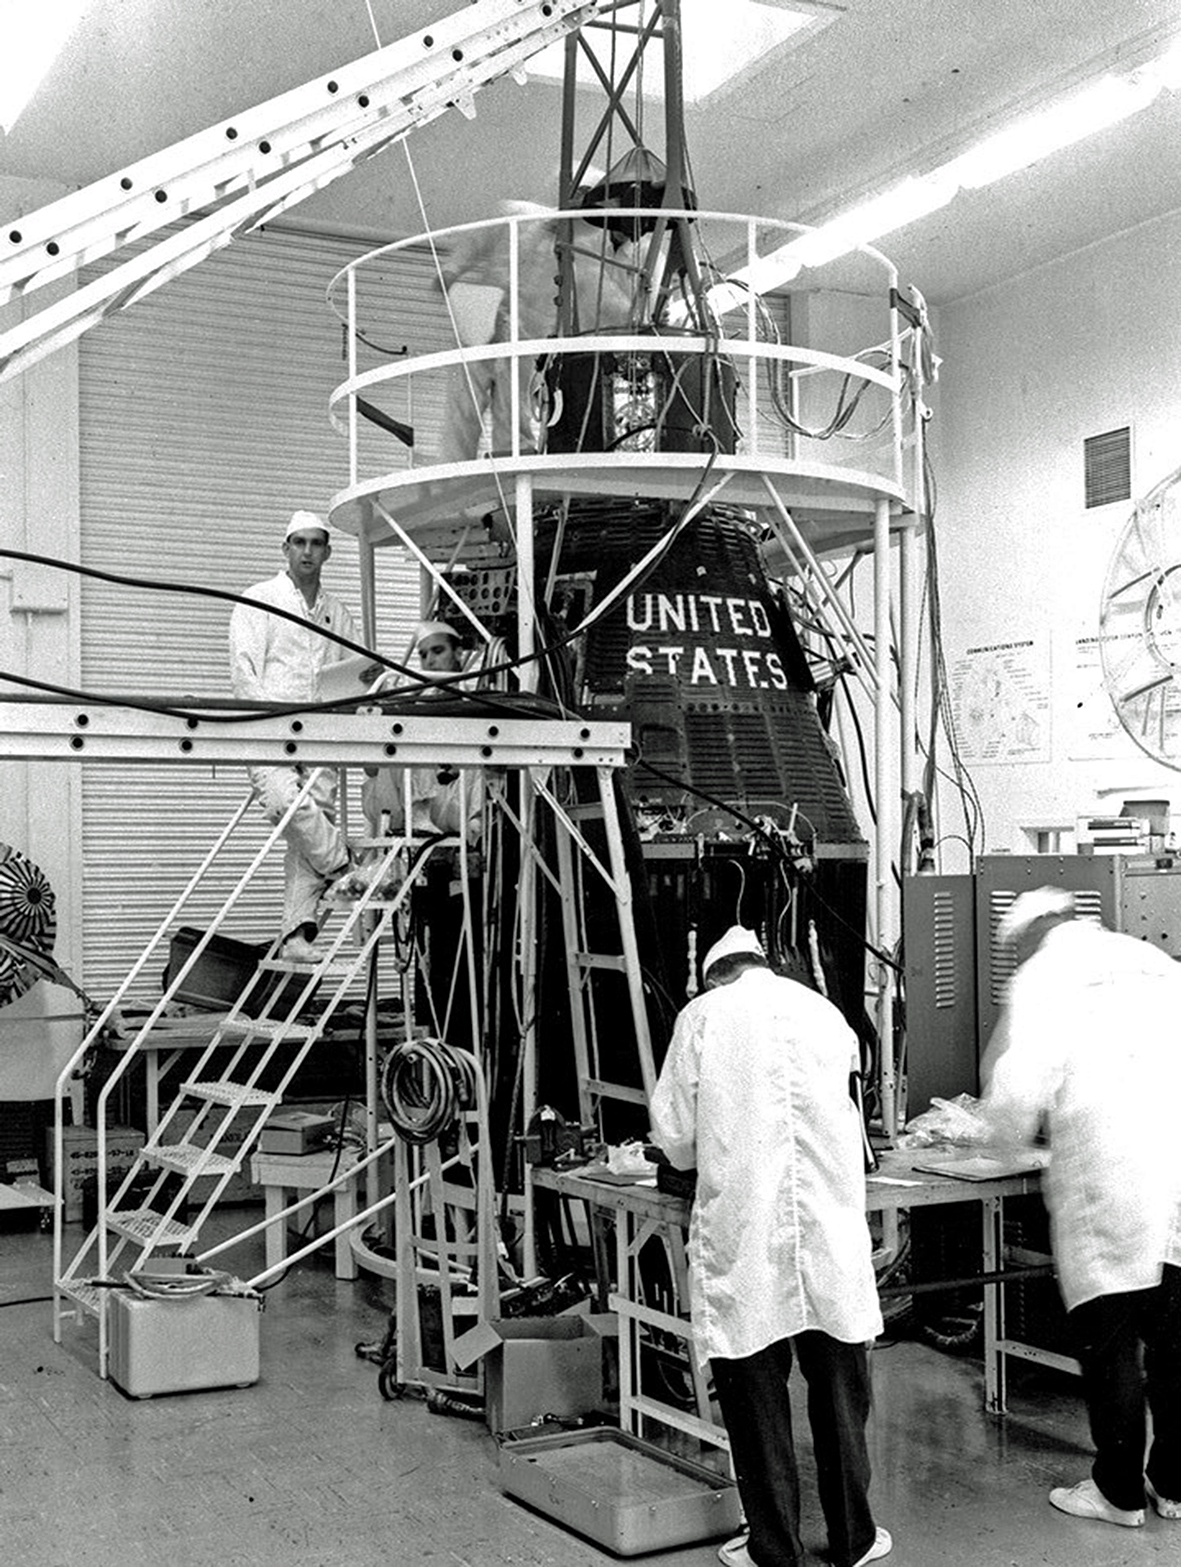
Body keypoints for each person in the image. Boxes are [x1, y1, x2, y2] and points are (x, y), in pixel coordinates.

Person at [648, 926, 890, 1567]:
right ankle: (853, 1540)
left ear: (714, 974)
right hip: (828, 1229)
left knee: (756, 1391)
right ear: (763, 964)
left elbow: (673, 1134)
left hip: (746, 1232)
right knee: (840, 1385)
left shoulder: (701, 1019)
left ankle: (775, 1548)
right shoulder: (825, 1012)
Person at [979, 886, 1181, 1529]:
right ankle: (1174, 1487)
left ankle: (1118, 1494)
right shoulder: (1150, 960)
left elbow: (1015, 1093)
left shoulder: (1045, 976)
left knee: (1113, 1340)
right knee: (1175, 1342)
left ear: (1032, 934)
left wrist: (998, 1136)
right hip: (1175, 1171)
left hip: (1109, 1179)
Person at [228, 510, 369, 961]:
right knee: (286, 803)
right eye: (299, 543)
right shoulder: (260, 599)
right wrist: (265, 720)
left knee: (310, 827)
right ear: (285, 549)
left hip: (322, 732)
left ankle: (295, 936)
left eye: (316, 543)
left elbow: (354, 675)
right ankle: (345, 865)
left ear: (327, 551)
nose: (307, 551)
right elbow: (244, 670)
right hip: (270, 729)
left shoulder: (337, 613)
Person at [434, 199, 634, 462]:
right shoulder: (517, 214)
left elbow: (603, 297)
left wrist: (634, 314)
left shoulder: (585, 250)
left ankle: (510, 461)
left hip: (529, 334)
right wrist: (451, 270)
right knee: (464, 401)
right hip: (482, 316)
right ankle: (454, 466)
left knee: (515, 406)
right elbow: (478, 240)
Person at [360, 621, 484, 842]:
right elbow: (372, 769)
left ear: (458, 653)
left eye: (438, 651)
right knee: (404, 733)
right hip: (404, 807)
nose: (430, 661)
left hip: (457, 804)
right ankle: (419, 811)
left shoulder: (476, 704)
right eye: (424, 655)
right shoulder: (412, 705)